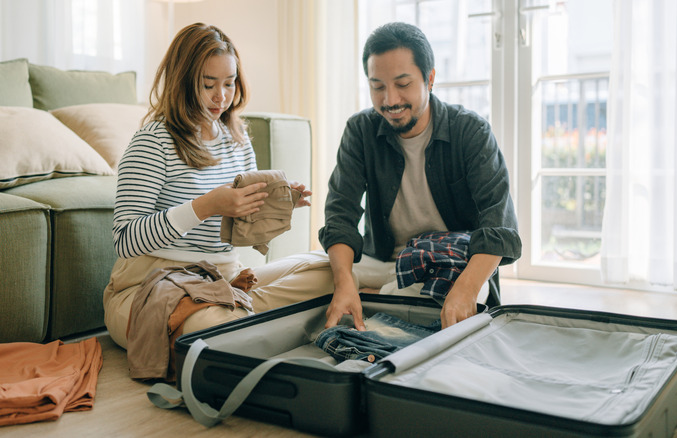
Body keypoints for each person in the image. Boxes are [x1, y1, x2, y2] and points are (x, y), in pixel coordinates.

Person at [103, 23, 333, 351]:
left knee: (330, 270)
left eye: (229, 83)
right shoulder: (152, 142)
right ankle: (244, 321)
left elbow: (242, 227)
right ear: (182, 82)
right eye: (208, 84)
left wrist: (273, 202)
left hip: (224, 278)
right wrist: (206, 206)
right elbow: (126, 240)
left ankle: (236, 319)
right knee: (209, 325)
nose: (221, 96)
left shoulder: (236, 139)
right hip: (152, 285)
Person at [319, 22, 521, 331]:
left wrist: (465, 291)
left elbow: (500, 226)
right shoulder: (360, 130)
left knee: (465, 286)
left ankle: (375, 299)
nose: (390, 100)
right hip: (382, 261)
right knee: (313, 273)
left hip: (445, 264)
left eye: (403, 84)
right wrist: (344, 281)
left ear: (430, 78)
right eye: (377, 87)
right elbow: (341, 213)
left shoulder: (471, 131)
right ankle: (376, 300)